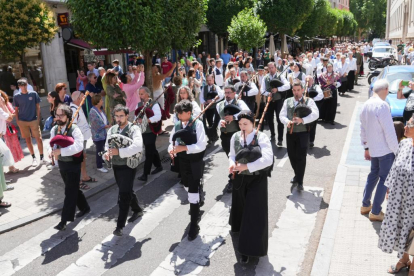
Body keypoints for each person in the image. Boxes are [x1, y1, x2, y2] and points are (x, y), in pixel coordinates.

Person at [228, 112, 273, 264]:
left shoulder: (261, 137)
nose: (242, 127)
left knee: (252, 214)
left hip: (257, 179)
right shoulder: (235, 137)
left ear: (253, 123)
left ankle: (248, 250)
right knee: (241, 209)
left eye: (245, 124)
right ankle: (238, 231)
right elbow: (232, 155)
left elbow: (268, 159)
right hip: (240, 178)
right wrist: (232, 164)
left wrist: (247, 166)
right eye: (240, 124)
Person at [379, 115, 414, 276]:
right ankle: (404, 259)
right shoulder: (404, 143)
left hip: (412, 202)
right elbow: (394, 166)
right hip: (398, 198)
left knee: (412, 231)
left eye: (410, 125)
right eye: (406, 124)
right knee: (400, 229)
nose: (405, 127)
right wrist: (389, 188)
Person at [360, 79, 399, 222]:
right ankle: (376, 211)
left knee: (373, 175)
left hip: (374, 148)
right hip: (385, 150)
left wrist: (366, 147)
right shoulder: (383, 106)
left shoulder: (366, 104)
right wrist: (397, 151)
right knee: (384, 179)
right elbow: (389, 132)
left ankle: (365, 205)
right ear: (386, 90)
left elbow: (362, 129)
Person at [168, 100, 207, 241]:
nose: (178, 115)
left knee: (192, 193)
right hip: (182, 162)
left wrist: (184, 148)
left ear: (189, 113)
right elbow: (172, 142)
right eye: (177, 112)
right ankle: (197, 194)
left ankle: (194, 225)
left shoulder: (198, 124)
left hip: (195, 162)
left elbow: (202, 145)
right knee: (186, 186)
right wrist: (172, 150)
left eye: (180, 112)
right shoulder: (178, 124)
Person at [103, 105, 144, 236]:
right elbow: (106, 146)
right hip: (116, 165)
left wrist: (119, 152)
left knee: (123, 194)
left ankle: (120, 226)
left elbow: (138, 147)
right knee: (126, 189)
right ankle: (137, 210)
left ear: (127, 116)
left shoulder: (133, 128)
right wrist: (106, 154)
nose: (119, 118)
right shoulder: (112, 129)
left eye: (121, 116)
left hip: (129, 165)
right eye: (117, 116)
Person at [50, 105, 90, 231]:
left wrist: (61, 151)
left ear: (68, 116)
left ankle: (63, 221)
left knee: (69, 192)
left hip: (73, 164)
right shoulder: (55, 129)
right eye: (57, 115)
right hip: (62, 164)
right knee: (73, 188)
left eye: (61, 115)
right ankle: (85, 207)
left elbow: (79, 146)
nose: (58, 117)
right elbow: (51, 143)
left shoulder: (75, 129)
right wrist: (50, 151)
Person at [279, 80, 319, 191]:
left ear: (302, 90)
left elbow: (316, 114)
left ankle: (300, 181)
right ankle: (297, 174)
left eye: (298, 90)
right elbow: (281, 115)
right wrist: (287, 121)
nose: (296, 93)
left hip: (303, 133)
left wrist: (303, 120)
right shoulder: (287, 101)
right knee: (292, 156)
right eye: (294, 90)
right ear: (292, 91)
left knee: (301, 157)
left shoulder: (308, 101)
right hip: (291, 133)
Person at [217, 85, 250, 193]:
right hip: (224, 135)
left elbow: (247, 112)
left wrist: (234, 117)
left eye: (229, 92)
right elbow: (217, 119)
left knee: (235, 157)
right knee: (230, 156)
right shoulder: (219, 105)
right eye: (225, 93)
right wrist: (220, 123)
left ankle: (233, 178)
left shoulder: (239, 103)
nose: (227, 95)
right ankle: (235, 174)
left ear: (234, 93)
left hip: (235, 135)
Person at [14, 78, 46, 167]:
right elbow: (16, 109)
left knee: (38, 138)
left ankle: (42, 157)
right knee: (28, 140)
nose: (23, 87)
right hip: (22, 121)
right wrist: (17, 120)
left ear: (27, 84)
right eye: (21, 85)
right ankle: (33, 158)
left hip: (33, 119)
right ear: (19, 86)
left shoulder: (33, 94)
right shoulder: (17, 96)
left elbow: (38, 106)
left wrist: (38, 118)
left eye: (24, 84)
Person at [260, 62, 291, 145]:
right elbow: (262, 90)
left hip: (279, 101)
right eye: (269, 68)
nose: (270, 69)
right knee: (270, 119)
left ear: (275, 68)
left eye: (272, 67)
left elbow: (288, 85)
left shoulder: (280, 76)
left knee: (279, 119)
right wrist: (267, 94)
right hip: (269, 101)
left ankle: (280, 139)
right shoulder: (265, 78)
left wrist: (278, 89)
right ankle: (272, 134)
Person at [70, 91, 96, 190]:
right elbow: (73, 127)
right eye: (82, 97)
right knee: (78, 159)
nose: (84, 98)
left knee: (82, 158)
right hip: (79, 140)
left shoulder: (78, 107)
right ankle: (79, 181)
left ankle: (84, 176)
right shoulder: (73, 110)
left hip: (83, 138)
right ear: (78, 99)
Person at [137, 87, 163, 181]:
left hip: (151, 131)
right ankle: (159, 166)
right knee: (152, 149)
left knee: (148, 152)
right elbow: (137, 115)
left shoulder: (154, 104)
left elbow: (158, 116)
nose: (140, 96)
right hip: (143, 131)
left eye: (142, 94)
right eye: (139, 94)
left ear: (148, 94)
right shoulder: (139, 104)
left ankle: (145, 174)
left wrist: (147, 120)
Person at [199, 74, 224, 144]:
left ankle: (213, 136)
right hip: (207, 108)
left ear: (213, 80)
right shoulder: (204, 88)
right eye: (207, 80)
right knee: (209, 122)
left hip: (214, 107)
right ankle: (213, 136)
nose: (209, 82)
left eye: (210, 80)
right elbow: (201, 97)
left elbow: (221, 95)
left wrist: (213, 100)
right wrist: (204, 102)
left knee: (214, 122)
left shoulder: (216, 87)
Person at [89, 95, 111, 173]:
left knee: (103, 148)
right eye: (101, 100)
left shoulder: (101, 109)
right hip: (98, 135)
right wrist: (105, 126)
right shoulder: (92, 111)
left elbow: (105, 118)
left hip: (104, 133)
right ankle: (99, 166)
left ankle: (102, 161)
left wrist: (108, 123)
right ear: (97, 102)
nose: (102, 101)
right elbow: (96, 123)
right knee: (99, 150)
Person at [305, 76, 324, 148]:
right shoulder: (303, 86)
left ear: (312, 81)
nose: (308, 82)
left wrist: (312, 99)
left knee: (313, 125)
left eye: (309, 80)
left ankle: (311, 141)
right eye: (306, 80)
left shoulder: (316, 87)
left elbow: (321, 95)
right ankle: (305, 139)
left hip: (313, 108)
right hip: (305, 108)